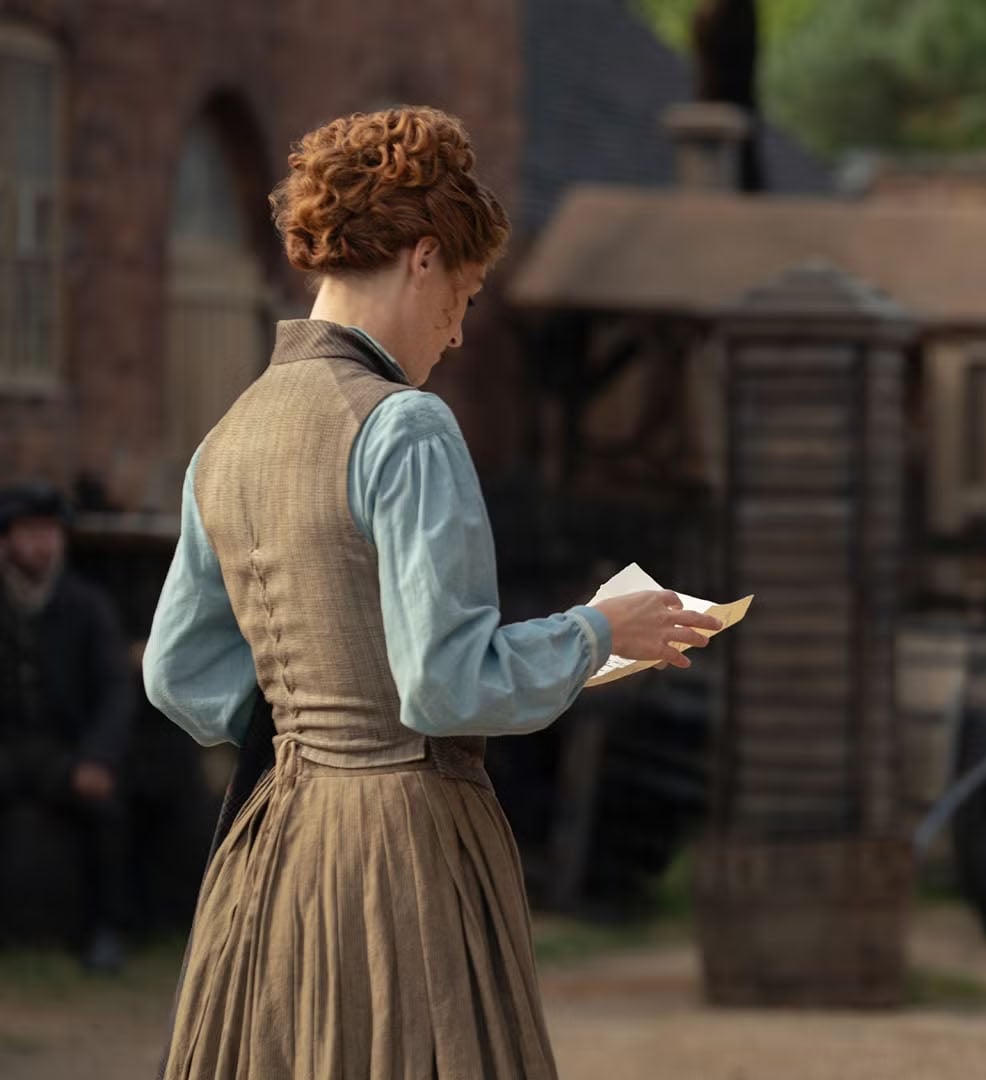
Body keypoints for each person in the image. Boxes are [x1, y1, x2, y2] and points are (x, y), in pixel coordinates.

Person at [142, 106, 724, 1079]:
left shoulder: (228, 437)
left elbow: (177, 671)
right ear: (420, 259)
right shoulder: (406, 428)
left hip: (275, 851)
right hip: (401, 852)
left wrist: (320, 713)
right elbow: (448, 686)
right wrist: (595, 630)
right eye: (463, 293)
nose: (456, 334)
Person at [0, 482, 133, 972]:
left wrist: (97, 756)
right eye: (31, 532)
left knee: (106, 811)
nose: (44, 543)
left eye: (51, 532)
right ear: (7, 539)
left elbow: (116, 688)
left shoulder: (86, 606)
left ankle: (105, 930)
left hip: (66, 751)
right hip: (7, 748)